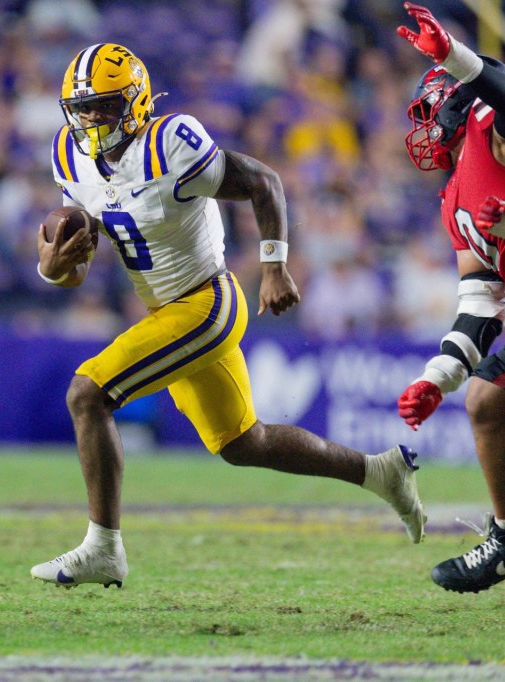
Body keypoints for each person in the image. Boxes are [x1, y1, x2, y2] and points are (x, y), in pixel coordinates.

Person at [29, 42, 426, 589]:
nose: (92, 120)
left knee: (87, 394)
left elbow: (265, 182)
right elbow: (75, 271)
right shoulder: (68, 156)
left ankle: (103, 548)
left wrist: (274, 267)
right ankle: (380, 472)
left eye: (105, 106)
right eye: (83, 108)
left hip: (207, 301)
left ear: (136, 102)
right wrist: (52, 268)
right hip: (166, 311)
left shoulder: (169, 143)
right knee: (244, 443)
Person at [394, 2, 505, 593]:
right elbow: (482, 304)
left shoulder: (499, 134)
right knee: (486, 398)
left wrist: (453, 55)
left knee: (490, 398)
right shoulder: (455, 198)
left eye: (430, 110)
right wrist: (438, 377)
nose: (425, 128)